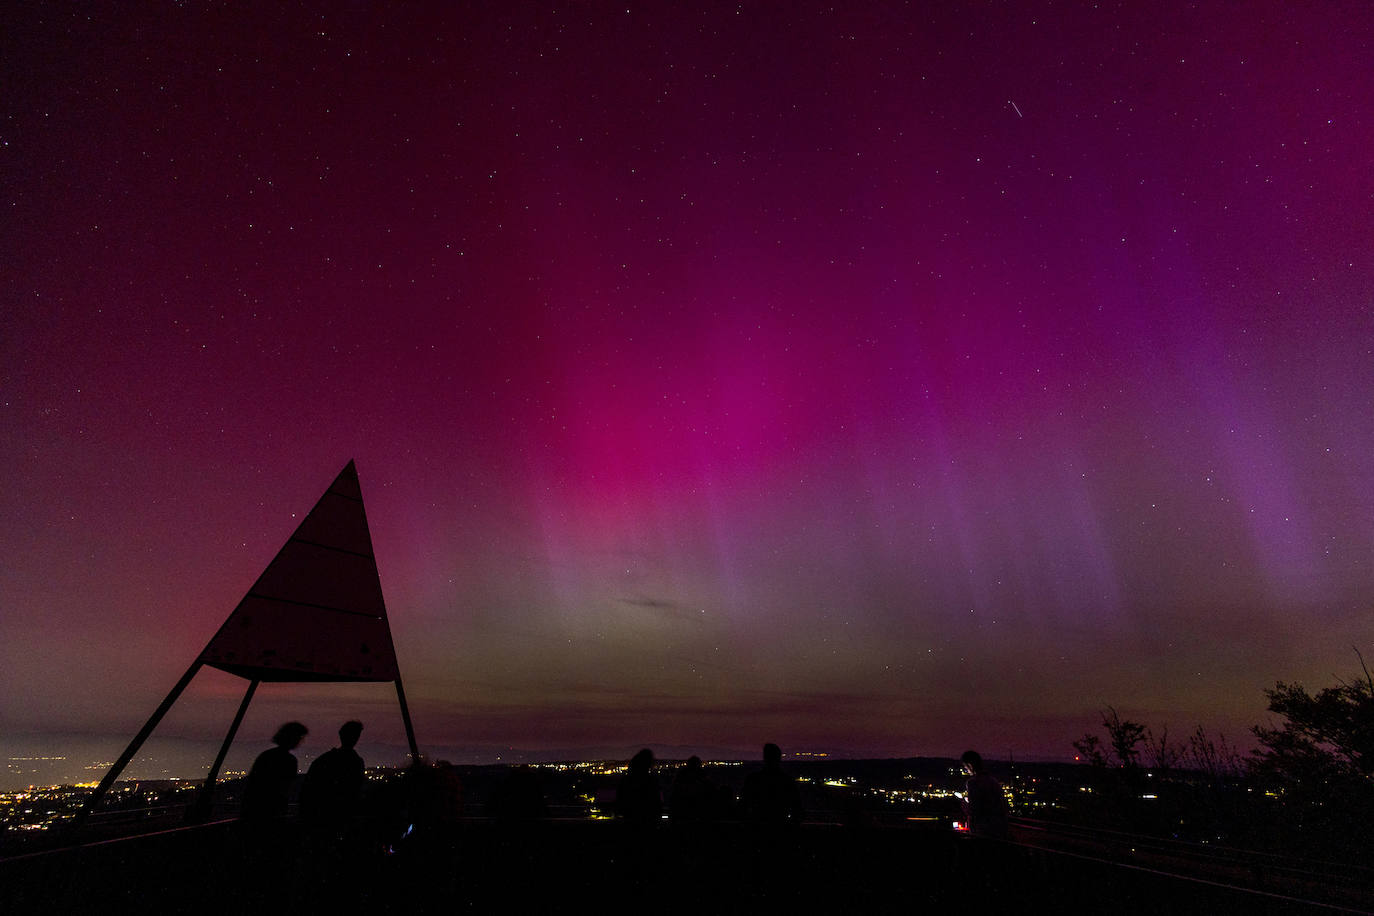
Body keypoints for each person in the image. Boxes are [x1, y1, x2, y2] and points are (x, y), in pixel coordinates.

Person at [301, 720, 365, 828]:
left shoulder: (324, 760)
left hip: (323, 816)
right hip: (342, 816)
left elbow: (309, 788)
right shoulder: (356, 762)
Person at [242, 721, 308, 821]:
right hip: (273, 812)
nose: (301, 741)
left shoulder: (266, 756)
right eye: (299, 737)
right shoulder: (289, 760)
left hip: (256, 811)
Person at [741, 743, 802, 824]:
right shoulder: (787, 781)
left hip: (757, 826)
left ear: (764, 758)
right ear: (779, 758)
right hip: (780, 825)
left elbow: (744, 806)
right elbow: (797, 808)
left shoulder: (753, 779)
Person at [959, 750, 1009, 839]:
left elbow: (974, 809)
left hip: (981, 831)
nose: (966, 770)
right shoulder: (993, 781)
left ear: (970, 765)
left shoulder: (973, 783)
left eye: (966, 767)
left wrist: (964, 804)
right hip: (999, 830)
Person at [615, 748, 662, 824]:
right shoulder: (651, 781)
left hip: (630, 820)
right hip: (648, 821)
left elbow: (620, 802)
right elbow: (656, 803)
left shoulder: (626, 780)